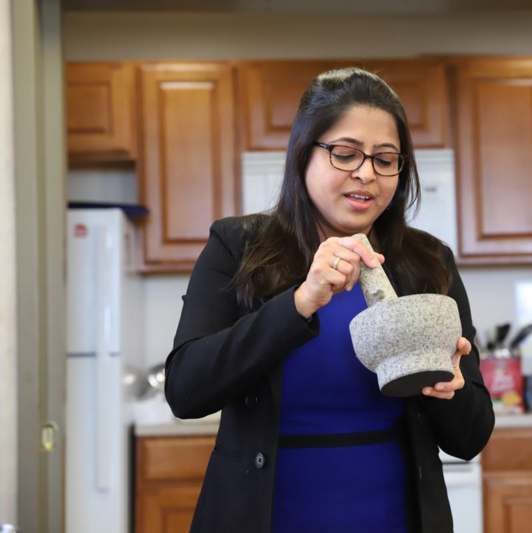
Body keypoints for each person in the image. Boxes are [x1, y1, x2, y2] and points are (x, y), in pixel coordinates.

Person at [164, 67, 494, 533]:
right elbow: (186, 390)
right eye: (345, 154)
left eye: (386, 159)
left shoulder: (428, 261)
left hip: (392, 517)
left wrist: (449, 388)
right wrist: (299, 301)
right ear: (303, 154)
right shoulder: (238, 246)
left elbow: (470, 436)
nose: (366, 173)